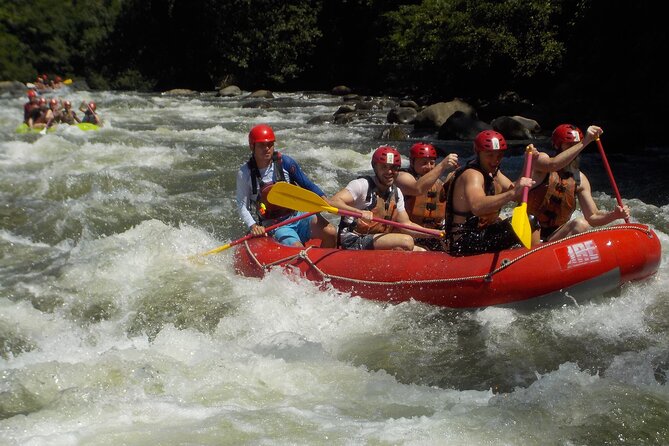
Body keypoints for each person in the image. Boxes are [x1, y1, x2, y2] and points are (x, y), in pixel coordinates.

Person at [235, 124, 337, 248]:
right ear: (252, 146)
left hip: (298, 215)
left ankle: (324, 266)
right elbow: (242, 205)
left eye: (270, 144)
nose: (267, 148)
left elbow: (308, 185)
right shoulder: (245, 173)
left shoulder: (286, 163)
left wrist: (325, 200)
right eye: (262, 145)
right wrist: (253, 226)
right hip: (275, 224)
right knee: (298, 249)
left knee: (331, 232)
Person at [526, 124, 630, 242]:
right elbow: (553, 164)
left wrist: (615, 215)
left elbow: (592, 216)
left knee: (581, 224)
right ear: (557, 145)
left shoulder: (579, 178)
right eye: (569, 145)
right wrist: (585, 142)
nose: (574, 150)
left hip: (553, 237)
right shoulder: (541, 161)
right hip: (529, 231)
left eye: (576, 145)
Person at [329, 146, 443, 251]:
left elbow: (406, 224)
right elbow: (333, 202)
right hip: (353, 240)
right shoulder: (361, 185)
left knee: (422, 251)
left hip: (376, 239)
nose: (389, 172)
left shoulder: (396, 192)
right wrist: (358, 212)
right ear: (375, 167)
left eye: (394, 168)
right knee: (406, 241)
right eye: (384, 167)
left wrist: (434, 233)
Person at [444, 130, 539, 256]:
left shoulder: (494, 173)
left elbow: (518, 194)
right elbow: (477, 206)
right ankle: (533, 261)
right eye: (490, 155)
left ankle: (531, 259)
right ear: (478, 152)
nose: (495, 160)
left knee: (528, 220)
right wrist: (513, 192)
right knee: (530, 220)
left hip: (480, 235)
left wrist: (529, 163)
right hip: (463, 242)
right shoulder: (472, 175)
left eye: (499, 155)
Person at [395, 142, 458, 250]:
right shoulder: (401, 177)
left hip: (435, 234)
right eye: (424, 163)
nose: (429, 167)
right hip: (410, 234)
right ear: (411, 162)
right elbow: (417, 189)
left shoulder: (438, 183)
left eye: (432, 163)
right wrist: (442, 165)